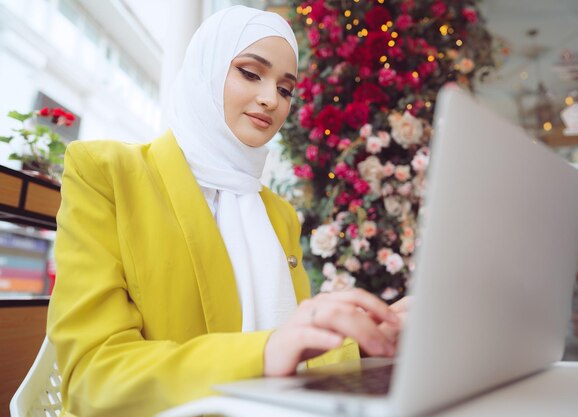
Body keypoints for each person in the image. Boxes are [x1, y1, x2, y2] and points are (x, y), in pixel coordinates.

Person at [48, 6, 407, 417]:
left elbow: (290, 349)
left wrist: (367, 339)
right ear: (209, 68)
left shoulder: (278, 215)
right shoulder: (108, 173)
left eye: (286, 89)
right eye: (251, 73)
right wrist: (266, 351)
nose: (270, 99)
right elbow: (91, 378)